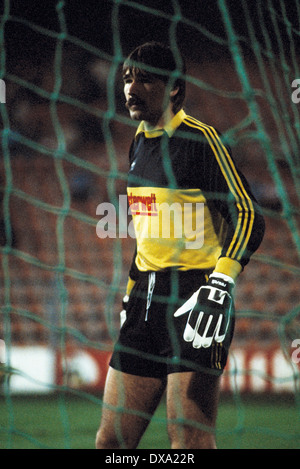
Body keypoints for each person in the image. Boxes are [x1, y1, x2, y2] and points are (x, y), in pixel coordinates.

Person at [96, 42, 265, 449]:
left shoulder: (201, 140)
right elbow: (148, 231)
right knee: (111, 443)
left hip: (195, 302)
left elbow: (249, 214)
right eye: (126, 79)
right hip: (143, 304)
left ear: (173, 88)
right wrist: (130, 292)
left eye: (144, 79)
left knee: (188, 444)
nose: (131, 89)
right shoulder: (138, 141)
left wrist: (221, 284)